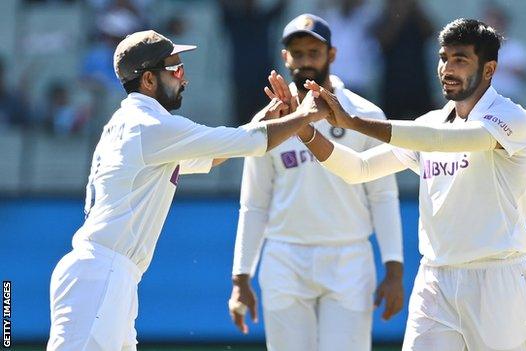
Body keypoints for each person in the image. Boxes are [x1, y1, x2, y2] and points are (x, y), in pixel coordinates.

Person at [47, 30, 328, 351]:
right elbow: (250, 143)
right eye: (175, 69)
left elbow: (215, 154)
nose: (184, 78)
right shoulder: (149, 126)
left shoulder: (136, 122)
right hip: (102, 274)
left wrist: (264, 119)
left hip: (111, 274)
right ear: (149, 80)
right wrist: (307, 115)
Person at [277, 18, 526, 350]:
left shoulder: (511, 118)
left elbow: (440, 141)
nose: (447, 68)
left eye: (460, 60)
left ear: (489, 70)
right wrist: (304, 130)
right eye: (443, 58)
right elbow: (358, 168)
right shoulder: (430, 122)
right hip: (435, 280)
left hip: (496, 281)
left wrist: (353, 122)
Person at [228, 14, 404, 351]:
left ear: (332, 55)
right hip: (284, 257)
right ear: (285, 58)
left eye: (314, 52)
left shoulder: (364, 115)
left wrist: (393, 269)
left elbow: (383, 196)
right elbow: (254, 203)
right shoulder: (268, 121)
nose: (306, 61)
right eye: (298, 53)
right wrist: (241, 276)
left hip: (349, 257)